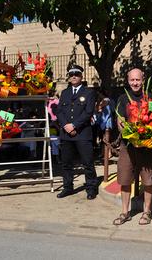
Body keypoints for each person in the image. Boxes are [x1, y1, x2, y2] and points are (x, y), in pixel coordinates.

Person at [113, 67, 152, 226]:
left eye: (138, 80)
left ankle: (147, 211)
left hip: (147, 146)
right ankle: (125, 212)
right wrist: (131, 134)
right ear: (128, 80)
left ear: (143, 79)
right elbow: (120, 122)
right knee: (125, 180)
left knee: (148, 181)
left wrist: (147, 134)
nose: (135, 83)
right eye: (132, 80)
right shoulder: (122, 99)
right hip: (128, 146)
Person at [56, 64, 98, 200]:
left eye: (77, 74)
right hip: (66, 133)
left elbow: (88, 112)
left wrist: (74, 125)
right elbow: (59, 111)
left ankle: (91, 188)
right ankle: (67, 187)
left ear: (81, 76)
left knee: (87, 162)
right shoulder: (65, 93)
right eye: (71, 74)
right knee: (66, 163)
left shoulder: (89, 92)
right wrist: (66, 126)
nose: (74, 76)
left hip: (82, 133)